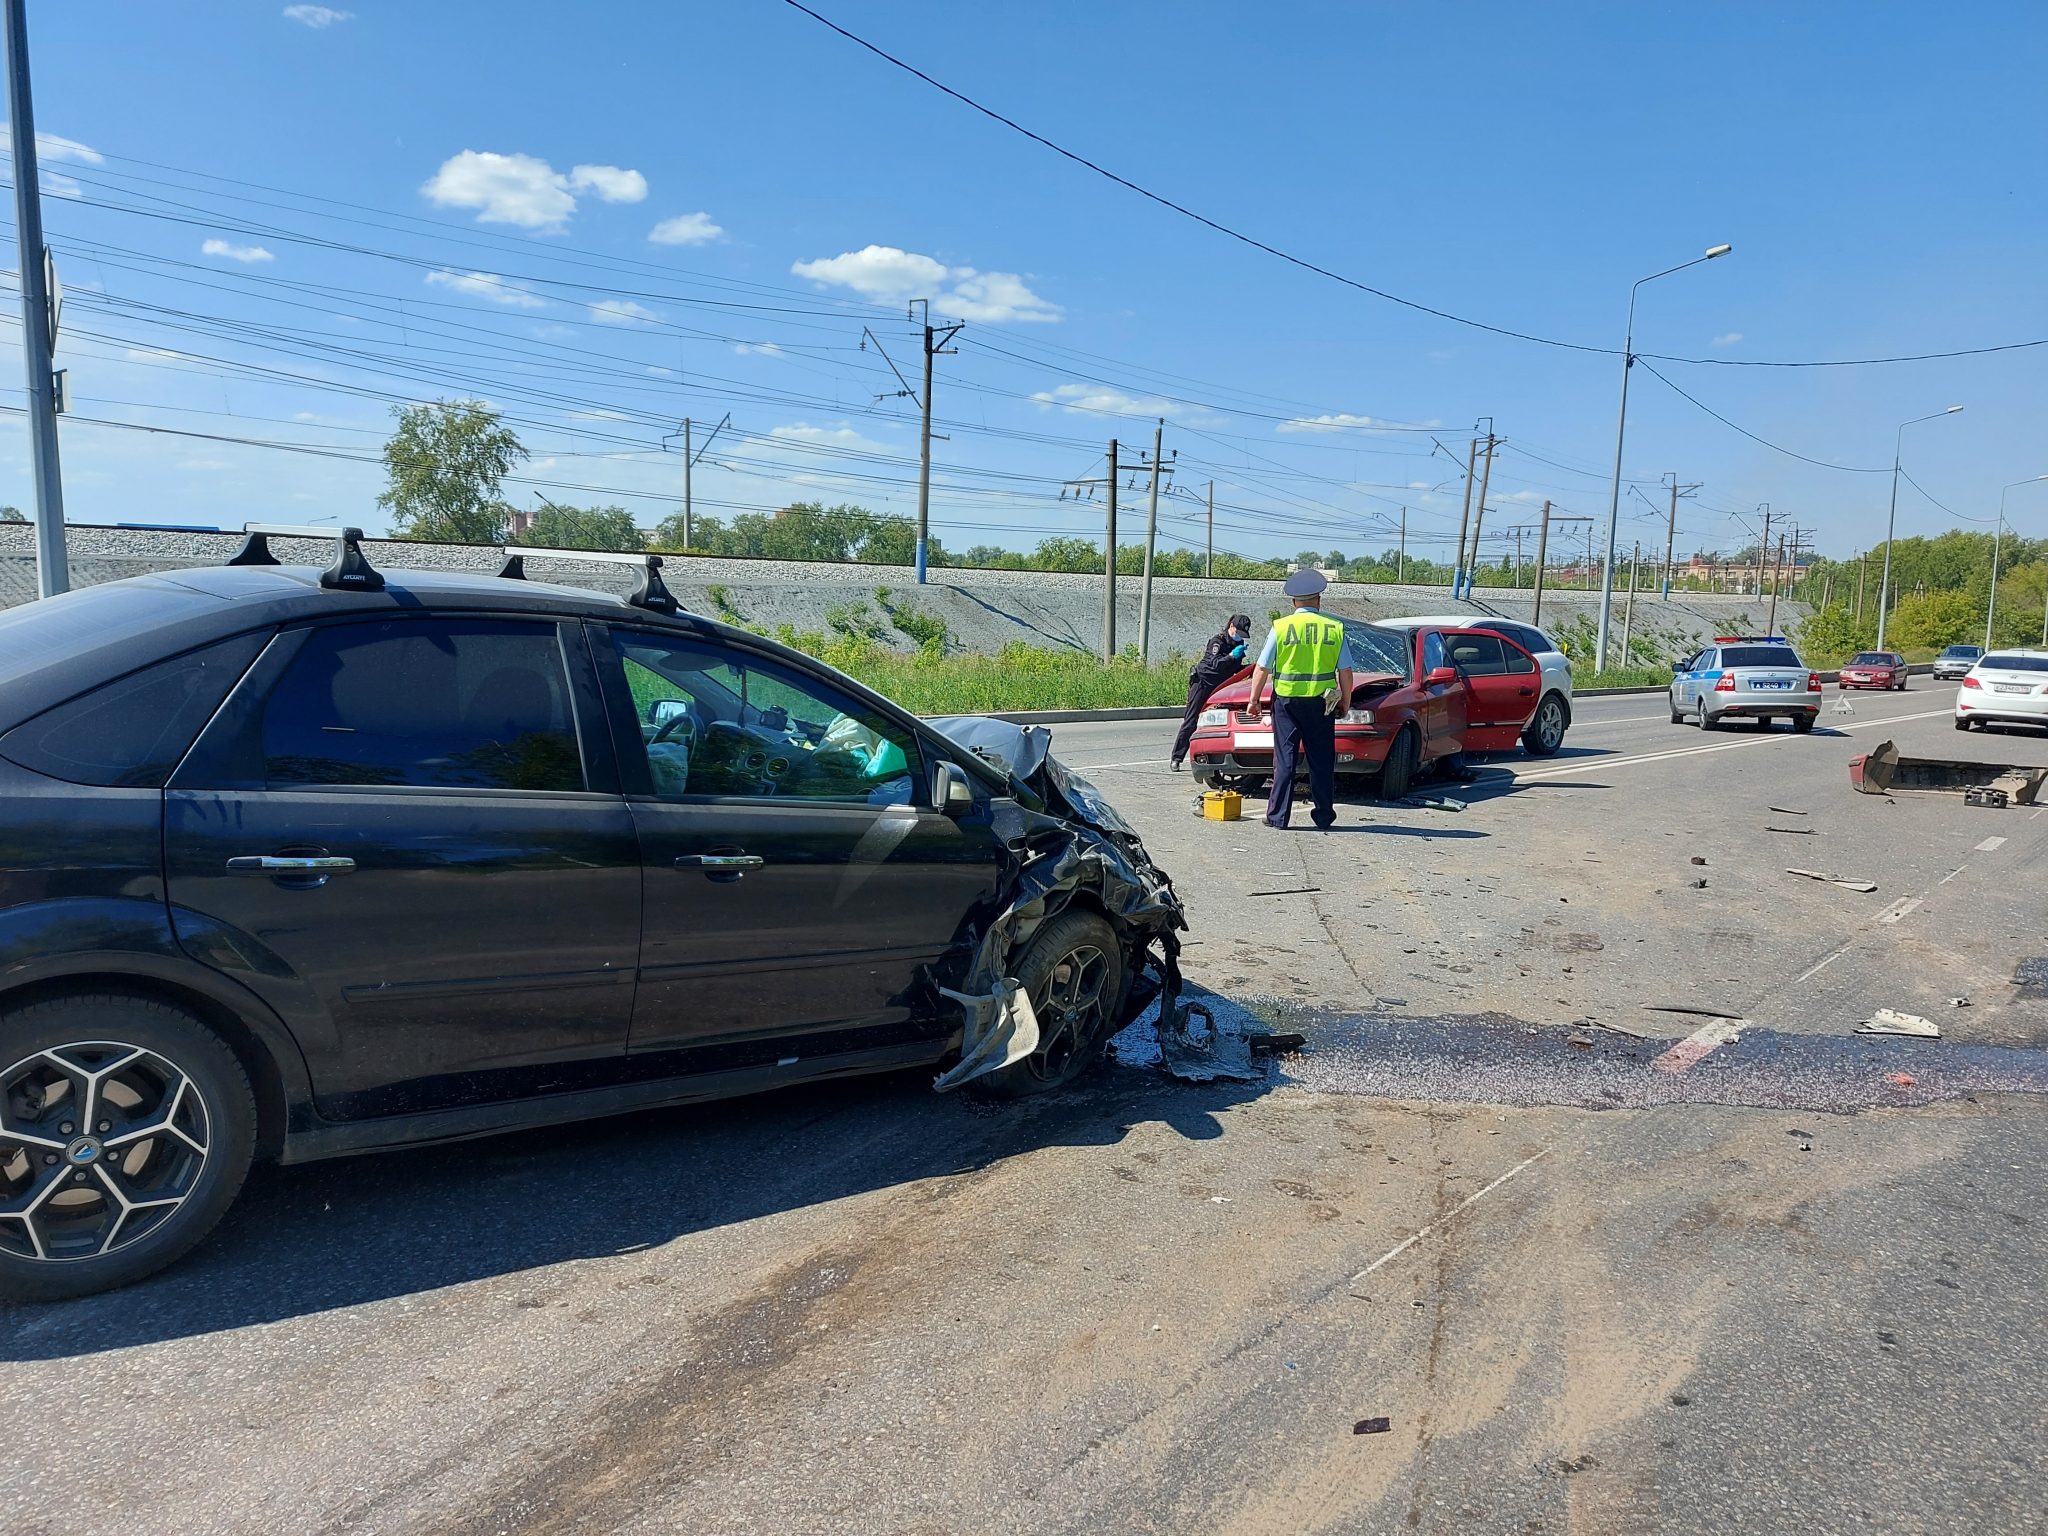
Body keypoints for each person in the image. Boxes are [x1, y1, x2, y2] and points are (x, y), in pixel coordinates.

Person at [1241, 569, 1356, 830]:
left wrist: (1254, 699)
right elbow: (1345, 672)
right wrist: (1345, 701)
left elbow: (1262, 667)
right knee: (1322, 760)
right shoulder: (1334, 628)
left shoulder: (1281, 627)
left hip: (1287, 703)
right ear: (1318, 600)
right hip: (1323, 704)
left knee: (1285, 760)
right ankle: (1324, 816)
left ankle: (1278, 817)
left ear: (1293, 602)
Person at [1170, 613, 1253, 771]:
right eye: (1239, 633)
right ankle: (1177, 758)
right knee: (1191, 720)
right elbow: (1215, 665)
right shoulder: (1217, 641)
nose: (1240, 637)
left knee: (1218, 721)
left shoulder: (1238, 643)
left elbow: (1233, 670)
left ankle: (1213, 756)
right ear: (1231, 627)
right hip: (1203, 683)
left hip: (1220, 687)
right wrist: (1230, 656)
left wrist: (1249, 667)